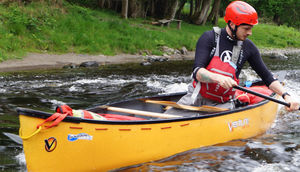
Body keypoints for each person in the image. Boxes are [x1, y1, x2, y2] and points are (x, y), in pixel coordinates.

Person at [165, 0, 299, 115]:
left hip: (223, 104)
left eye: (251, 28)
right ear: (232, 24)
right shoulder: (209, 38)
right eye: (246, 28)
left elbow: (267, 78)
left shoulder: (249, 48)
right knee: (161, 119)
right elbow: (197, 73)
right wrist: (218, 78)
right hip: (195, 98)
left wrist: (286, 96)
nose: (250, 33)